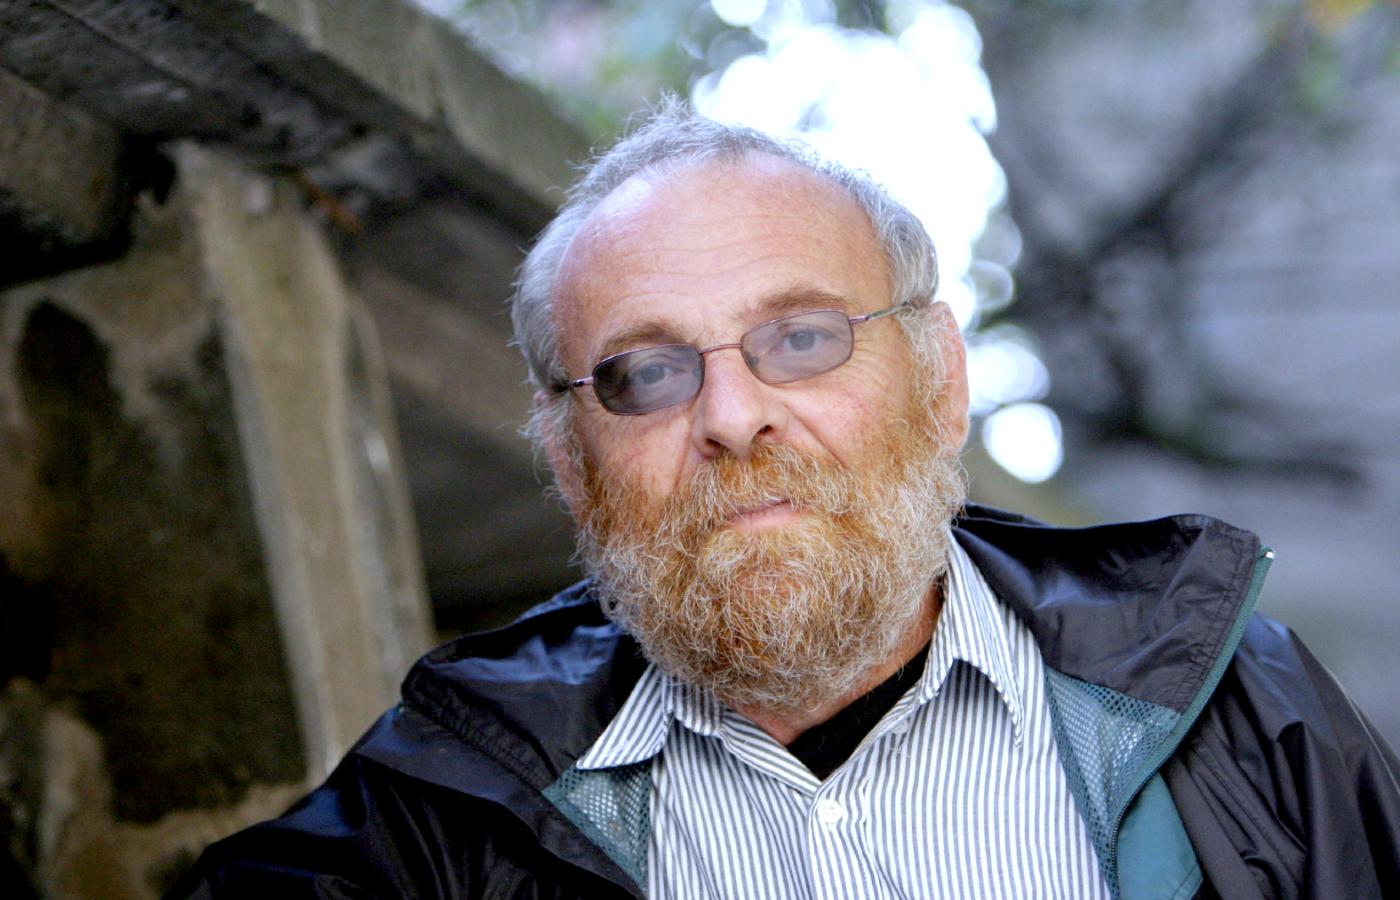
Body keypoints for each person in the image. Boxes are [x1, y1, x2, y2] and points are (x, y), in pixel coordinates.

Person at [171, 101, 1400, 899]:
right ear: (568, 459)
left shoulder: (1242, 714)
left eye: (801, 339)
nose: (729, 415)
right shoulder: (435, 808)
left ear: (939, 381)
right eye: (645, 374)